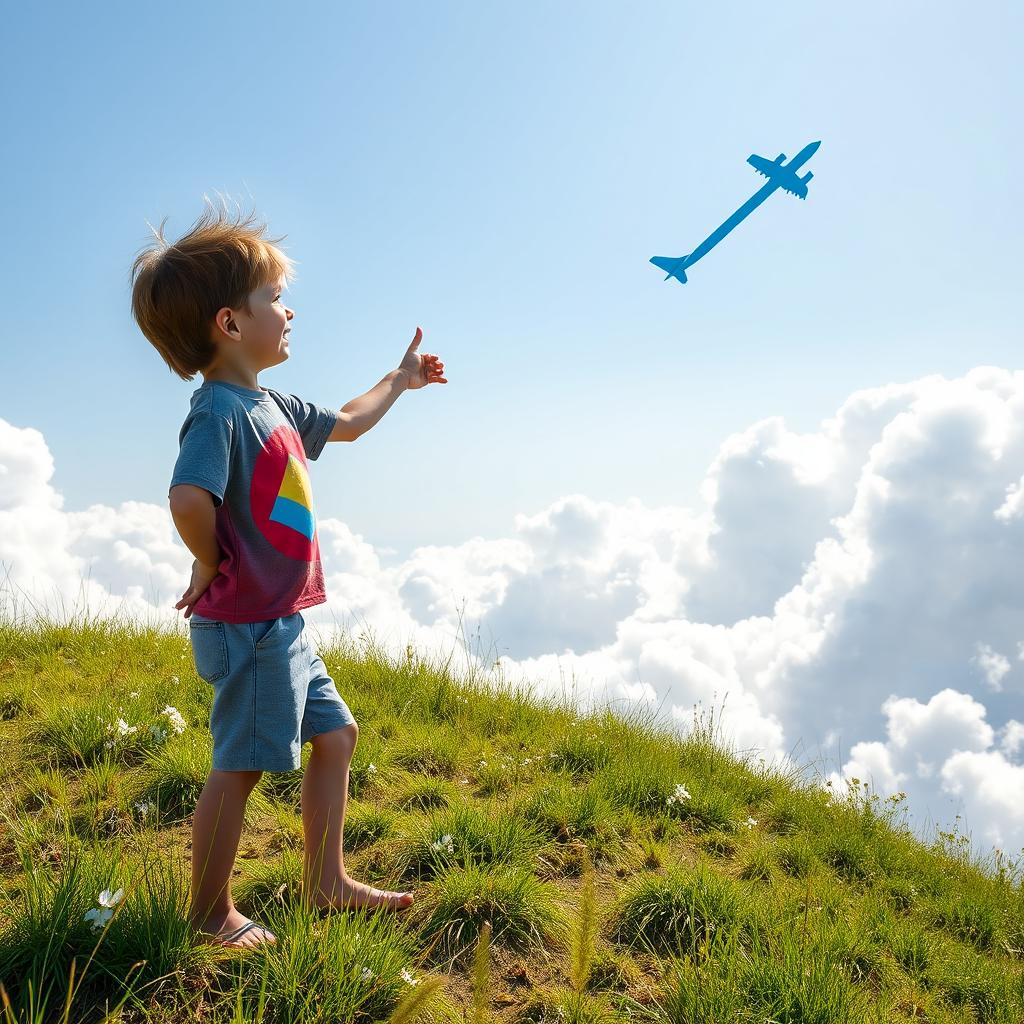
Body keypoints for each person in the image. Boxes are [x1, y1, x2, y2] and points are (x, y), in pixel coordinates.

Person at [130, 201, 447, 950]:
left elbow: (344, 421)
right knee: (239, 766)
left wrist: (399, 380)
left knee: (336, 736)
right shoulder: (218, 414)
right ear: (230, 325)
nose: (288, 307)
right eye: (273, 297)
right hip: (250, 626)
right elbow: (186, 496)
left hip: (285, 622)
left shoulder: (270, 403)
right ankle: (209, 915)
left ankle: (326, 881)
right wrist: (209, 562)